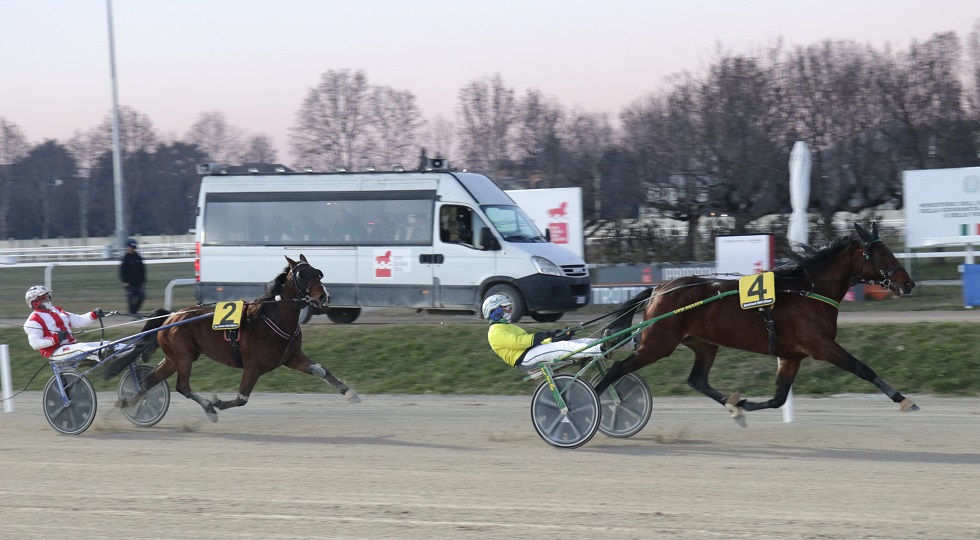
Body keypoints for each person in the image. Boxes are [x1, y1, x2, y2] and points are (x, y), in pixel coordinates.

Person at [483, 294, 603, 368]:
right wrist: (543, 335)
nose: (510, 311)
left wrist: (553, 338)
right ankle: (600, 349)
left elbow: (533, 342)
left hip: (530, 352)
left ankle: (602, 342)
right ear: (495, 311)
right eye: (506, 308)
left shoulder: (507, 326)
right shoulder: (494, 331)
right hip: (524, 358)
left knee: (575, 341)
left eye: (510, 308)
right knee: (563, 347)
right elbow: (517, 342)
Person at [23, 285, 114, 363]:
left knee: (109, 344)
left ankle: (121, 354)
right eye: (43, 298)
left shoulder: (57, 310)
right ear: (34, 302)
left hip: (71, 347)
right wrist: (56, 338)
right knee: (81, 347)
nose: (47, 299)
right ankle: (102, 354)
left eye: (47, 296)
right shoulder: (33, 320)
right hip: (55, 352)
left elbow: (79, 321)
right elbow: (35, 344)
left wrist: (94, 314)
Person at [119, 238, 146, 315]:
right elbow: (122, 271)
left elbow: (142, 269)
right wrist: (125, 281)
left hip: (138, 282)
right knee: (130, 297)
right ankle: (131, 312)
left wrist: (143, 279)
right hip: (129, 283)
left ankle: (135, 311)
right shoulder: (125, 258)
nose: (129, 248)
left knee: (141, 296)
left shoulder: (138, 257)